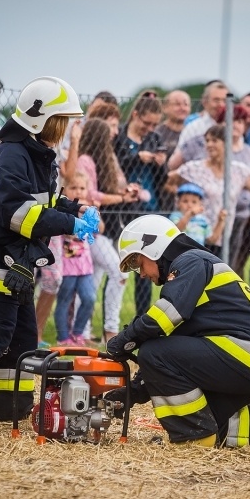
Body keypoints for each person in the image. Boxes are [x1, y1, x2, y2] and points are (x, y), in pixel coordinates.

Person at [0, 76, 98, 422]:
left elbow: (47, 199)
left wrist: (76, 210)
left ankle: (6, 410)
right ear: (41, 119)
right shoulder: (14, 154)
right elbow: (18, 214)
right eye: (63, 121)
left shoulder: (37, 154)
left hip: (12, 264)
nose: (65, 129)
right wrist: (68, 225)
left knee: (22, 338)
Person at [103, 215, 250, 447]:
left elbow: (165, 319)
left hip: (242, 357)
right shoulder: (194, 265)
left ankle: (195, 437)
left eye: (137, 263)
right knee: (217, 425)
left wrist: (126, 339)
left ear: (154, 247)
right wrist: (134, 392)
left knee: (152, 352)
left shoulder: (190, 261)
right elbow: (176, 349)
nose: (140, 274)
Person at [75, 118, 142, 342]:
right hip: (90, 230)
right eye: (111, 129)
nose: (115, 133)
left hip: (98, 228)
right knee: (120, 272)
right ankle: (110, 329)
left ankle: (81, 332)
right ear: (99, 136)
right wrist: (121, 197)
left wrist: (125, 193)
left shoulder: (101, 159)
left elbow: (104, 191)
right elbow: (93, 196)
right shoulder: (85, 160)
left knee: (91, 282)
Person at [166, 125, 250, 257]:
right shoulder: (194, 168)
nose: (209, 144)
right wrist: (185, 198)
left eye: (214, 141)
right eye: (207, 141)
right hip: (197, 235)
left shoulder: (239, 171)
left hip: (224, 234)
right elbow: (168, 183)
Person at [114, 96, 166, 317]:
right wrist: (136, 157)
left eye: (154, 124)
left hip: (150, 206)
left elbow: (161, 178)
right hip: (122, 208)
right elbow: (112, 164)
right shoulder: (119, 137)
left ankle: (142, 316)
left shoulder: (155, 139)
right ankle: (111, 319)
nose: (150, 129)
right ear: (135, 115)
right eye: (147, 123)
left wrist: (161, 163)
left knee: (147, 266)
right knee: (120, 264)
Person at [53, 173, 97, 346]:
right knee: (64, 299)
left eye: (82, 188)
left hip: (85, 265)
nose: (78, 191)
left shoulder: (88, 210)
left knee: (89, 298)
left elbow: (99, 228)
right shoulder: (61, 211)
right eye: (73, 187)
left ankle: (78, 333)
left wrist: (94, 215)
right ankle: (63, 337)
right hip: (67, 265)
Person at [170, 81, 228, 167]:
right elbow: (177, 159)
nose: (221, 105)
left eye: (224, 100)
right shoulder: (193, 127)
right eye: (216, 100)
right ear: (205, 102)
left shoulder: (233, 128)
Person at [153, 89, 191, 160]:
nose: (182, 108)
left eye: (186, 104)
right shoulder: (157, 132)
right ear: (165, 108)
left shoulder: (193, 132)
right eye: (177, 104)